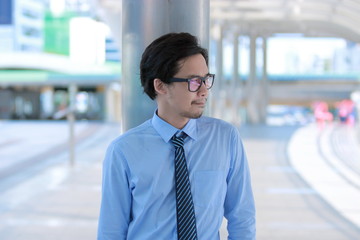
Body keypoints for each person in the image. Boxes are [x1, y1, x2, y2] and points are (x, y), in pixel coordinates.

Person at [97, 32, 256, 240]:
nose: (204, 91)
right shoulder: (123, 151)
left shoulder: (225, 138)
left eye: (206, 80)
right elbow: (111, 231)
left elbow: (242, 217)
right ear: (160, 85)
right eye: (193, 82)